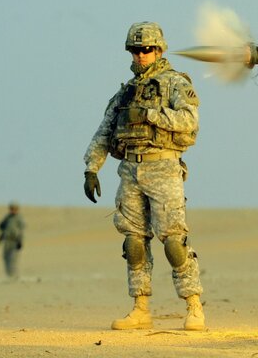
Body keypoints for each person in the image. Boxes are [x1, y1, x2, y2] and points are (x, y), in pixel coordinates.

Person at [83, 21, 205, 331]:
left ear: (159, 50)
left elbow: (189, 121)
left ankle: (193, 306)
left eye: (146, 50)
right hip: (130, 170)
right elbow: (104, 130)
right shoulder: (126, 92)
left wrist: (149, 114)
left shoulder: (175, 84)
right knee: (134, 243)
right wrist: (91, 167)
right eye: (135, 51)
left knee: (174, 243)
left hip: (164, 168)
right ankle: (140, 307)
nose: (140, 56)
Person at [0, 201, 25, 279]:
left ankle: (15, 276)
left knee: (13, 259)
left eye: (14, 209)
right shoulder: (7, 218)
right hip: (7, 241)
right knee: (5, 258)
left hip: (15, 241)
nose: (13, 210)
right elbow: (1, 226)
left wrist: (20, 241)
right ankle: (9, 275)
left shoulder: (19, 218)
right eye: (11, 208)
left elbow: (21, 231)